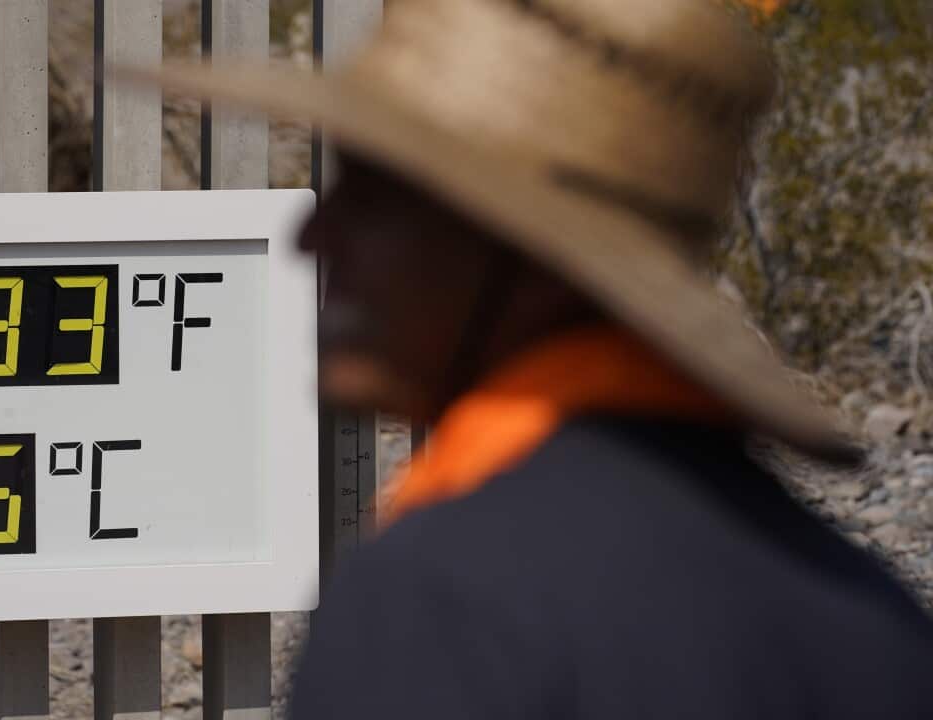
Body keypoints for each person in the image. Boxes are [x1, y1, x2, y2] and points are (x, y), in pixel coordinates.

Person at [132, 0, 933, 716]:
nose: (315, 235)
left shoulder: (440, 601)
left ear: (532, 252)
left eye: (380, 195)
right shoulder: (871, 614)